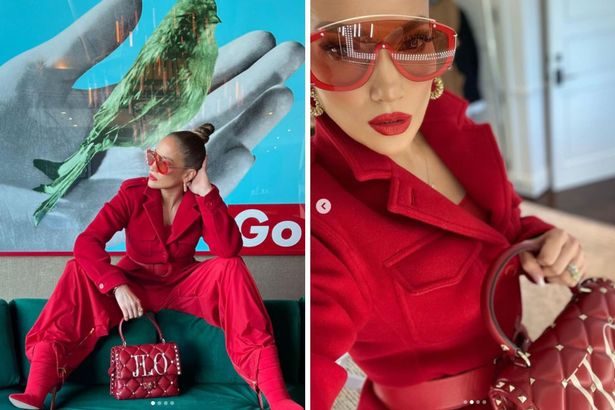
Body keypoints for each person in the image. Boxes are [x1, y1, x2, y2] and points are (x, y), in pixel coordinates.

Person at [310, 1, 586, 409]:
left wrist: (540, 242)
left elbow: (501, 224)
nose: (388, 88)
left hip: (528, 386)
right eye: (343, 49)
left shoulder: (449, 127)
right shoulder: (324, 216)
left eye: (414, 42)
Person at [8, 124, 302, 410]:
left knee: (231, 267)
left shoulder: (202, 200)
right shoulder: (132, 193)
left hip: (184, 285)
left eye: (163, 163)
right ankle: (35, 392)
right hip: (132, 281)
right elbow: (87, 243)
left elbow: (228, 249)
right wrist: (117, 285)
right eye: (152, 156)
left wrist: (206, 191)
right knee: (77, 269)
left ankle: (277, 398)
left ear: (187, 173)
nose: (151, 166)